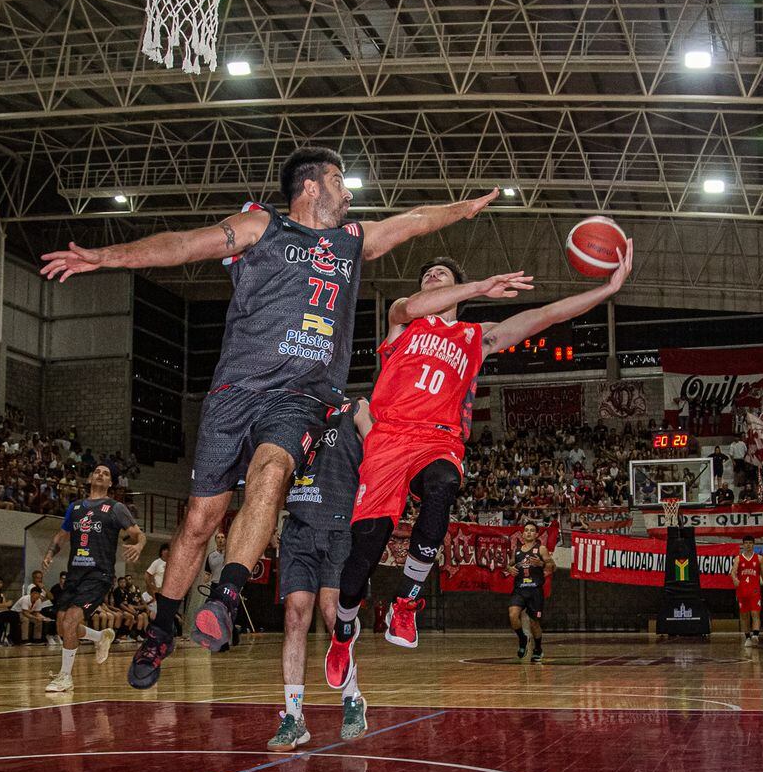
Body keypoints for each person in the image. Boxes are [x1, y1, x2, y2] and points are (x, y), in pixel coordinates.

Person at [43, 146, 499, 689]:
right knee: (197, 522)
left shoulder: (351, 241)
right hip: (235, 391)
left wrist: (463, 207)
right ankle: (162, 629)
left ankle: (227, 594)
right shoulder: (262, 225)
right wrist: (106, 257)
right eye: (339, 180)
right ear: (310, 187)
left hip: (301, 393)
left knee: (272, 470)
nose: (349, 192)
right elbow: (185, 244)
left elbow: (414, 222)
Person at [326, 247, 632, 687]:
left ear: (457, 292)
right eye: (428, 272)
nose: (432, 275)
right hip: (388, 439)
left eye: (440, 273)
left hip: (438, 438)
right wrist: (479, 285)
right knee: (365, 552)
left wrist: (607, 289)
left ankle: (407, 602)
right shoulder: (402, 320)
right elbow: (411, 305)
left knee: (445, 483)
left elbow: (544, 316)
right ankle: (342, 636)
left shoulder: (475, 337)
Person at [270, 398, 371, 753]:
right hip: (297, 525)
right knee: (295, 616)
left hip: (340, 524)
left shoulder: (355, 408)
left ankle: (352, 698)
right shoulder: (294, 412)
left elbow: (377, 453)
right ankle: (294, 717)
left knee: (332, 611)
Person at [39, 462, 146, 693]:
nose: (100, 474)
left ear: (110, 483)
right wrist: (49, 554)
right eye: (97, 471)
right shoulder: (75, 507)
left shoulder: (115, 508)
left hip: (99, 575)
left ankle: (65, 677)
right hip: (75, 574)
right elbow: (61, 535)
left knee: (70, 622)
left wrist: (138, 545)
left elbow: (138, 534)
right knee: (62, 626)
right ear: (90, 478)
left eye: (106, 474)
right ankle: (99, 637)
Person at [505, 522, 554, 662]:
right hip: (519, 589)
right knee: (513, 615)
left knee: (534, 623)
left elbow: (553, 566)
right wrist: (509, 568)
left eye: (532, 530)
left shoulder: (541, 549)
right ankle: (522, 639)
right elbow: (509, 564)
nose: (528, 532)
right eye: (526, 530)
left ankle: (538, 649)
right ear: (522, 534)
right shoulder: (517, 550)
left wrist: (542, 564)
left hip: (535, 591)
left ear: (536, 534)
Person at [732, 535, 763, 648]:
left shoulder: (759, 558)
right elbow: (733, 572)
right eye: (746, 543)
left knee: (755, 613)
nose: (748, 545)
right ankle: (747, 637)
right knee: (744, 616)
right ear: (743, 545)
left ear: (753, 544)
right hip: (742, 590)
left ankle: (756, 635)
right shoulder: (738, 558)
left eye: (750, 543)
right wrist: (734, 579)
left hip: (754, 591)